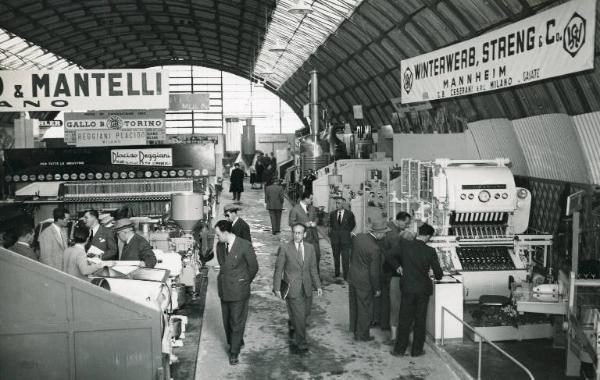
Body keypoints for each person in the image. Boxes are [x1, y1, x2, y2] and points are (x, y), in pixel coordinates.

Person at [389, 223, 443, 357]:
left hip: (407, 288)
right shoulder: (430, 251)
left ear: (419, 233)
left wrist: (398, 267)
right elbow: (438, 274)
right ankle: (417, 351)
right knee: (420, 320)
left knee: (404, 319)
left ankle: (399, 350)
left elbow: (389, 256)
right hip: (423, 290)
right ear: (429, 236)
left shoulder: (405, 246)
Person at [272, 222, 322, 354]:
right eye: (294, 232)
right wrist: (276, 287)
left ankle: (294, 321)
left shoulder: (310, 248)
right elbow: (279, 269)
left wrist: (318, 285)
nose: (296, 235)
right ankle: (301, 343)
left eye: (299, 233)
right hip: (292, 287)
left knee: (304, 314)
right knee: (300, 317)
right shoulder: (285, 248)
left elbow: (313, 268)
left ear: (304, 234)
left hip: (307, 286)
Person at [214, 219, 258, 365]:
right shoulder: (220, 246)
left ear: (226, 233)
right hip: (224, 288)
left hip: (238, 290)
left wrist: (243, 281)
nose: (217, 237)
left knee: (236, 321)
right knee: (227, 320)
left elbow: (254, 267)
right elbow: (223, 264)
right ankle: (235, 340)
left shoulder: (244, 245)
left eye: (218, 234)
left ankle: (234, 352)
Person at [348, 220, 388, 341]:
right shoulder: (375, 249)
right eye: (384, 233)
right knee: (365, 308)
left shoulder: (359, 237)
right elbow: (374, 273)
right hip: (365, 282)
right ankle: (362, 335)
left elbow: (352, 255)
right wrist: (377, 289)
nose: (385, 235)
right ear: (379, 234)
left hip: (353, 276)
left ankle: (354, 329)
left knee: (354, 305)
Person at [377, 212, 414, 338]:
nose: (407, 225)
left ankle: (384, 323)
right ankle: (387, 325)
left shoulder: (390, 226)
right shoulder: (393, 234)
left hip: (386, 266)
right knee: (392, 301)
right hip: (388, 269)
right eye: (406, 223)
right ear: (399, 220)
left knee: (388, 298)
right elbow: (396, 250)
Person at [288, 191, 320, 273]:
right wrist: (304, 224)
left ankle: (316, 277)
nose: (311, 200)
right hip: (303, 239)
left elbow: (316, 218)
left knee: (316, 257)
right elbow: (291, 223)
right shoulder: (295, 209)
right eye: (310, 199)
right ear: (305, 198)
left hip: (314, 237)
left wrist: (315, 222)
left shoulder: (312, 208)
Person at [328, 197, 355, 279]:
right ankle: (337, 273)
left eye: (339, 203)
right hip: (335, 240)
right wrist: (333, 234)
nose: (337, 204)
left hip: (345, 240)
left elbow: (352, 224)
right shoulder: (332, 214)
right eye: (336, 203)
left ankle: (346, 275)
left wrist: (345, 232)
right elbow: (331, 225)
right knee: (336, 257)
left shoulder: (349, 214)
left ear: (343, 204)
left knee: (345, 258)